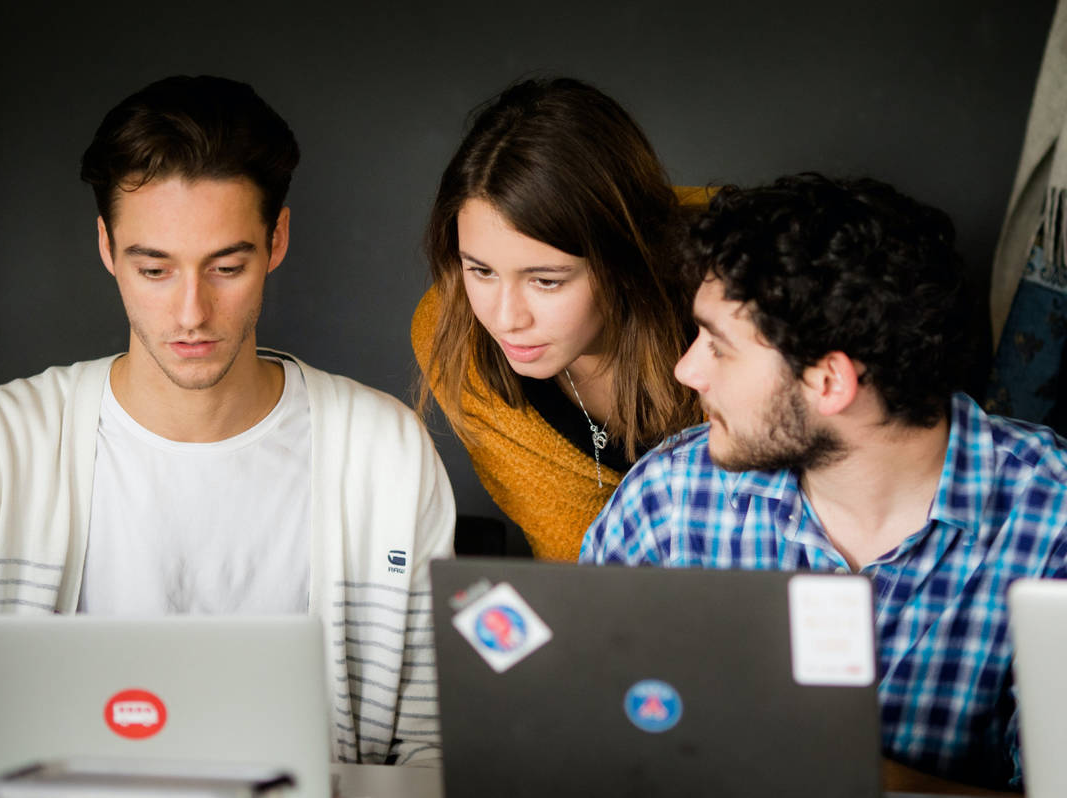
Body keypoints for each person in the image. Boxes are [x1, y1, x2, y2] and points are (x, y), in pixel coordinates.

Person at [0, 75, 455, 768]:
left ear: (277, 241)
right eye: (154, 269)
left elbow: (436, 745)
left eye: (226, 266)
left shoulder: (386, 453)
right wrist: (10, 745)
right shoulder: (6, 439)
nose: (190, 313)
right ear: (107, 249)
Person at [581, 173, 1067, 792]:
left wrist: (838, 772)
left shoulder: (1054, 523)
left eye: (718, 346)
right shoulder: (669, 497)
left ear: (829, 383)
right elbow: (573, 723)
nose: (685, 369)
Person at [412, 77, 703, 560]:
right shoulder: (454, 331)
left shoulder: (738, 291)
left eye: (546, 280)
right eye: (480, 270)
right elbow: (577, 563)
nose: (506, 319)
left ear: (625, 257)